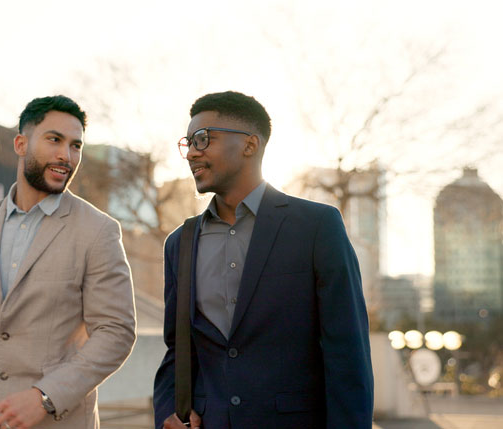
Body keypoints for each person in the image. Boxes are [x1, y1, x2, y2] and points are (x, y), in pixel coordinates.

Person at [153, 91, 373, 428]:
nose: (192, 153)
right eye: (188, 143)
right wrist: (169, 412)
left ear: (249, 145)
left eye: (203, 139)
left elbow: (348, 355)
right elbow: (177, 352)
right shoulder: (179, 243)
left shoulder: (317, 226)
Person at [0, 95, 136, 429]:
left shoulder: (98, 231)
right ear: (21, 144)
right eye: (55, 140)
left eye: (75, 145)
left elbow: (116, 333)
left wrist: (45, 396)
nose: (66, 156)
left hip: (58, 420)